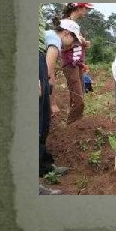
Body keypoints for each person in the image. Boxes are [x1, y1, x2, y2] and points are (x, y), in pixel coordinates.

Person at [40, 17, 80, 185]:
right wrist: (52, 103)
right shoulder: (55, 41)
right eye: (73, 39)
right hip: (39, 78)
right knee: (41, 125)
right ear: (65, 33)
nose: (71, 44)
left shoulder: (47, 35)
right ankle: (44, 169)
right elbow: (48, 73)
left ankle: (44, 166)